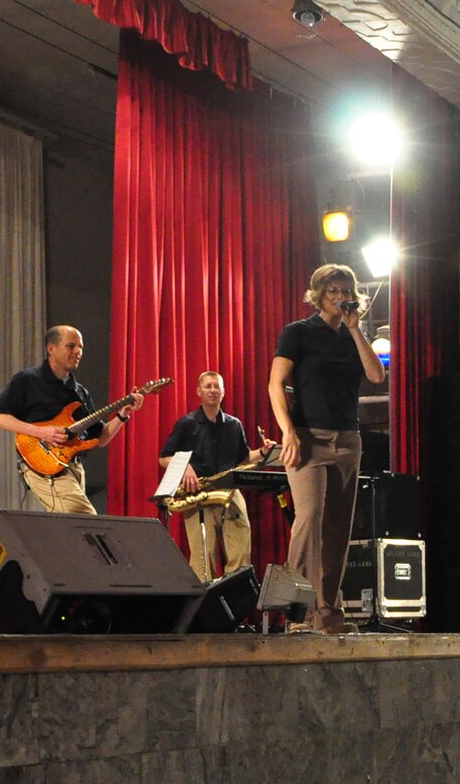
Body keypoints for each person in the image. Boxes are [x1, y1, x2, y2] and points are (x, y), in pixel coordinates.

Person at [269, 263, 385, 635]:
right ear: (318, 294)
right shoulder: (299, 333)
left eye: (345, 290)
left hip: (348, 441)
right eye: (332, 290)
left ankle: (328, 611)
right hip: (308, 438)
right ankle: (298, 611)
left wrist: (355, 330)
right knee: (309, 517)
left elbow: (377, 375)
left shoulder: (354, 335)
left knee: (338, 528)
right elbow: (275, 384)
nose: (340, 297)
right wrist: (287, 431)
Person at [0, 326, 141, 514]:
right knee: (85, 522)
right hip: (44, 464)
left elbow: (101, 438)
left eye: (80, 347)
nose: (78, 352)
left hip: (74, 468)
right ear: (51, 348)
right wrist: (41, 432)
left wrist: (123, 414)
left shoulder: (80, 392)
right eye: (71, 346)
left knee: (68, 532)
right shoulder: (28, 380)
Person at [160, 371, 269, 582]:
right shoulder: (187, 423)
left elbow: (243, 458)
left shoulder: (234, 424)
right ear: (198, 391)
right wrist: (185, 467)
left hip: (229, 491)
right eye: (208, 386)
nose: (212, 390)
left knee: (241, 555)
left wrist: (263, 452)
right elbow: (164, 458)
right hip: (199, 494)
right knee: (204, 559)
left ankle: (235, 605)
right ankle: (206, 609)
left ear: (223, 392)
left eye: (216, 386)